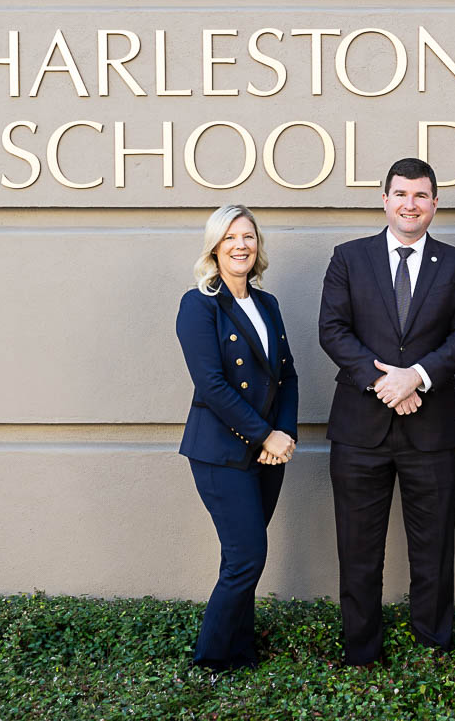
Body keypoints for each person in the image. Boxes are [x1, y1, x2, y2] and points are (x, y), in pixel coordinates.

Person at [318, 157, 455, 666]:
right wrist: (385, 383)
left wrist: (417, 376)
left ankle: (432, 645)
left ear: (434, 203)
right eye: (401, 194)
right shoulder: (349, 258)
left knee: (433, 548)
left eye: (420, 195)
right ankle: (361, 651)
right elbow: (333, 330)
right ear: (385, 200)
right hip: (359, 432)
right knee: (357, 549)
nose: (410, 204)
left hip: (431, 432)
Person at [175, 204, 298, 671]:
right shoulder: (199, 304)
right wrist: (264, 435)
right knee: (246, 557)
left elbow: (287, 375)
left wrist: (283, 434)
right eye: (229, 238)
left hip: (267, 452)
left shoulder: (268, 304)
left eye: (248, 236)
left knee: (244, 556)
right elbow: (212, 385)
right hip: (221, 450)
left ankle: (241, 652)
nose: (240, 245)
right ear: (214, 248)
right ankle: (210, 660)